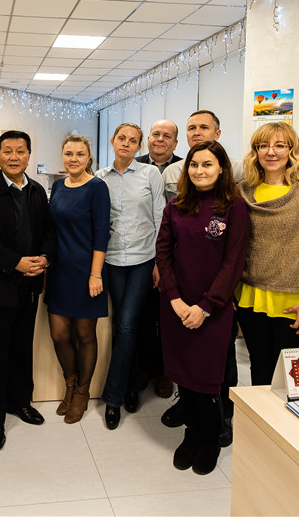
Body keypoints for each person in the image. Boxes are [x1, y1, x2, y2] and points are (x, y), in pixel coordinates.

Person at [156, 141, 250, 475]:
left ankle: (209, 439)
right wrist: (175, 299)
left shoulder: (235, 208)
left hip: (214, 309)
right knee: (183, 375)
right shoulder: (176, 206)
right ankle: (191, 434)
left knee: (207, 380)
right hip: (176, 306)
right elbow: (163, 253)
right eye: (194, 165)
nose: (199, 170)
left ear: (222, 168)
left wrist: (206, 306)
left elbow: (233, 263)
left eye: (207, 164)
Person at [0, 130, 54, 451]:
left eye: (20, 151)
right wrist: (16, 262)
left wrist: (44, 258)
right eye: (8, 151)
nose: (14, 157)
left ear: (29, 156)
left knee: (22, 347)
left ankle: (20, 402)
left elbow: (49, 231)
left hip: (29, 285)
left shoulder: (36, 191)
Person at [236, 121, 299, 387]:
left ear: (291, 151)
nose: (271, 152)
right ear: (255, 152)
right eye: (263, 146)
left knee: (292, 377)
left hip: (297, 300)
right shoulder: (241, 192)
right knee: (260, 367)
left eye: (280, 145)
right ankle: (259, 416)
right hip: (251, 296)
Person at [95, 123, 164, 429]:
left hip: (142, 259)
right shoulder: (100, 178)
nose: (126, 143)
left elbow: (161, 217)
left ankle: (113, 397)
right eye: (121, 138)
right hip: (111, 259)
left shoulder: (150, 174)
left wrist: (160, 262)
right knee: (124, 326)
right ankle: (133, 383)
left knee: (125, 324)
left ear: (139, 147)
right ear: (112, 141)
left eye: (132, 140)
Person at [45, 135, 110, 425]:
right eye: (69, 153)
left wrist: (95, 274)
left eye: (80, 154)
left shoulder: (97, 187)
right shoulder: (59, 186)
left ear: (89, 158)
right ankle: (69, 385)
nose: (73, 159)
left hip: (87, 272)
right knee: (59, 334)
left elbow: (101, 233)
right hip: (60, 271)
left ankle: (82, 392)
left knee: (85, 335)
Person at [134, 118, 182, 403]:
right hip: (141, 255)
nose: (160, 139)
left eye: (167, 135)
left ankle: (165, 372)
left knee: (168, 319)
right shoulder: (133, 165)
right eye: (155, 134)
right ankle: (144, 368)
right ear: (148, 140)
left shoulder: (188, 169)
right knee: (142, 316)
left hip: (176, 257)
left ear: (175, 143)